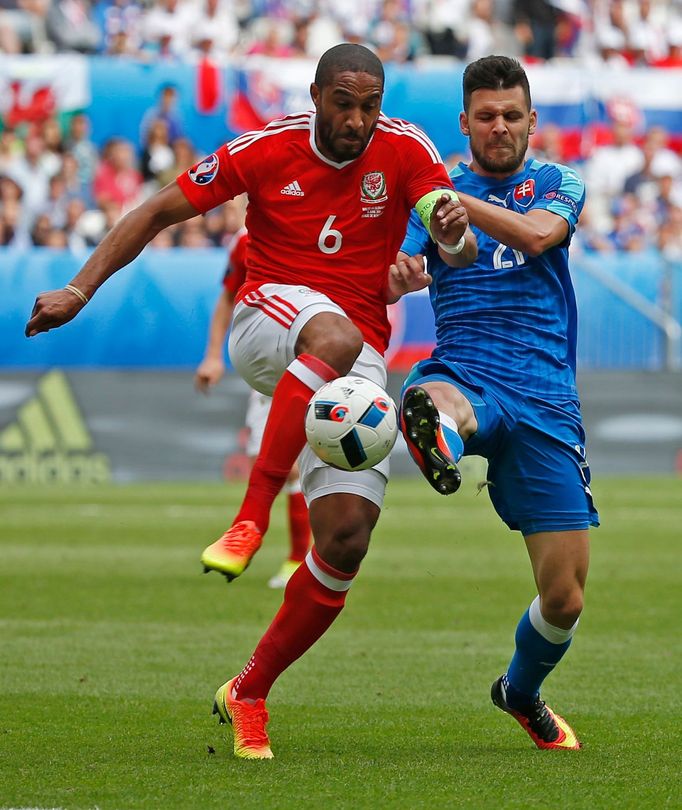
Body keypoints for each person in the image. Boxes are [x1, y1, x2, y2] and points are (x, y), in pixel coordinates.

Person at [25, 43, 477, 760]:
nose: (357, 120)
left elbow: (452, 237)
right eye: (343, 104)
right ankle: (250, 517)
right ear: (316, 95)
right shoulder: (264, 149)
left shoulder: (406, 149)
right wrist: (80, 290)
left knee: (347, 538)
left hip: (354, 351)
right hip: (268, 322)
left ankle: (250, 690)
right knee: (328, 332)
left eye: (369, 106)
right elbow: (154, 212)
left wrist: (447, 242)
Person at [398, 55, 598, 751]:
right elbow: (404, 269)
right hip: (468, 368)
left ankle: (520, 691)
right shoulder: (436, 193)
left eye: (512, 115)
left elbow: (541, 235)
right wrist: (401, 268)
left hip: (546, 397)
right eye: (486, 116)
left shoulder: (558, 182)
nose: (500, 126)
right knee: (437, 398)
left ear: (531, 120)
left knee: (566, 596)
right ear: (465, 122)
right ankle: (438, 434)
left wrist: (462, 207)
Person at [195, 227, 311, 589]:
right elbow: (227, 298)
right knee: (269, 460)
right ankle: (298, 556)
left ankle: (298, 560)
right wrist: (213, 356)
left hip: (309, 359)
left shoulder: (317, 225)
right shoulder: (245, 242)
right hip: (267, 364)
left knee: (292, 466)